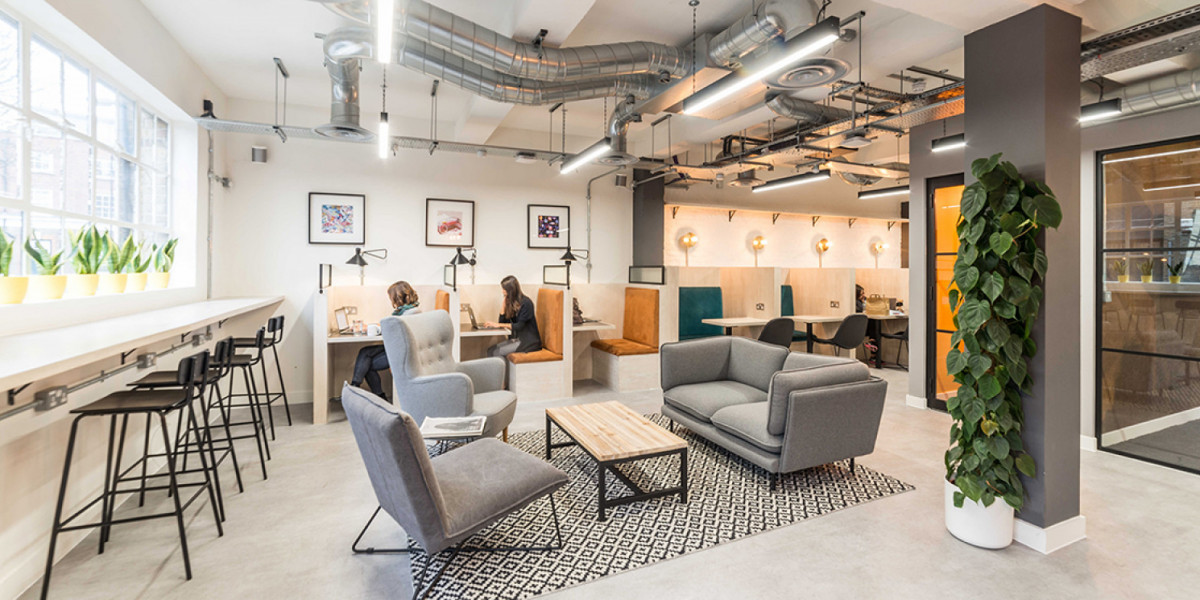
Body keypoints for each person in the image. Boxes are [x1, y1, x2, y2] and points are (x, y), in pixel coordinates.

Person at [349, 281, 420, 398]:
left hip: (401, 352)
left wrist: (369, 328)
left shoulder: (410, 313)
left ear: (397, 297)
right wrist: (370, 326)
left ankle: (357, 390)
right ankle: (356, 387)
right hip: (396, 346)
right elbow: (392, 326)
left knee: (366, 364)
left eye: (391, 297)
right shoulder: (406, 311)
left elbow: (393, 329)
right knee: (364, 352)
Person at [485, 275, 541, 359]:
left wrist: (498, 325)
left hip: (528, 342)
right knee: (490, 350)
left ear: (511, 290)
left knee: (496, 352)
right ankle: (499, 368)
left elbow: (519, 326)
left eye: (504, 289)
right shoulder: (513, 302)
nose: (502, 291)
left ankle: (501, 368)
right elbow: (502, 322)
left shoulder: (526, 303)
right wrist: (503, 305)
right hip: (517, 339)